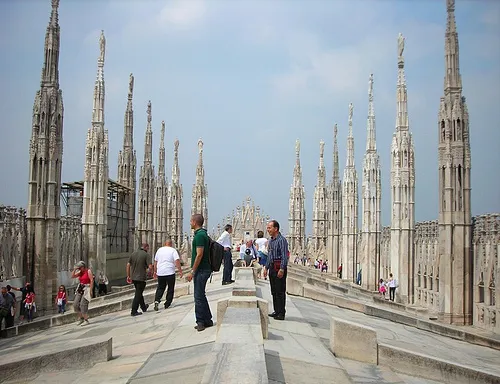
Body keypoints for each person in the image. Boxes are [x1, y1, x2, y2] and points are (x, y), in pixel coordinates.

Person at [185, 214, 213, 332]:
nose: (190, 223)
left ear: (195, 222)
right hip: (203, 269)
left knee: (198, 296)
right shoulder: (201, 234)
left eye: (191, 221)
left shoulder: (200, 236)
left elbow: (199, 254)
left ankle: (201, 321)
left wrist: (193, 271)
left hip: (201, 270)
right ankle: (208, 320)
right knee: (201, 295)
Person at [263, 220, 289, 321]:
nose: (268, 229)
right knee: (274, 290)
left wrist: (282, 268)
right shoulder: (271, 241)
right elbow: (270, 256)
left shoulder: (281, 240)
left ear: (276, 229)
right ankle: (276, 311)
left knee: (280, 291)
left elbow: (284, 255)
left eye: (269, 228)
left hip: (279, 268)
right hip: (272, 268)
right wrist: (266, 267)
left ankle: (281, 312)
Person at [153, 239, 183, 311]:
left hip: (160, 272)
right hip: (170, 272)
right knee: (170, 288)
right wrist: (180, 271)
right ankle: (167, 303)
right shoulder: (173, 250)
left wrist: (155, 271)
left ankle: (157, 300)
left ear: (164, 243)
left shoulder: (159, 250)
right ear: (171, 244)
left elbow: (155, 262)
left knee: (160, 287)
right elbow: (177, 261)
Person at [127, 243, 150, 316]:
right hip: (141, 277)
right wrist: (151, 273)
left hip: (134, 277)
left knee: (139, 292)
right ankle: (134, 310)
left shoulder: (133, 253)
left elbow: (128, 265)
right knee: (138, 293)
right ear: (146, 247)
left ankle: (143, 307)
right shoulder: (146, 255)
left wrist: (128, 275)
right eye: (148, 248)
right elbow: (150, 266)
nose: (148, 250)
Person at [72, 261, 94, 326]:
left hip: (87, 288)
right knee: (75, 304)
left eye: (80, 268)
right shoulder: (80, 272)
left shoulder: (88, 271)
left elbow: (91, 280)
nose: (79, 269)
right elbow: (73, 276)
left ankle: (86, 319)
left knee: (83, 304)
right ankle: (81, 318)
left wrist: (91, 290)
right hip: (80, 288)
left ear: (83, 267)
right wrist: (75, 269)